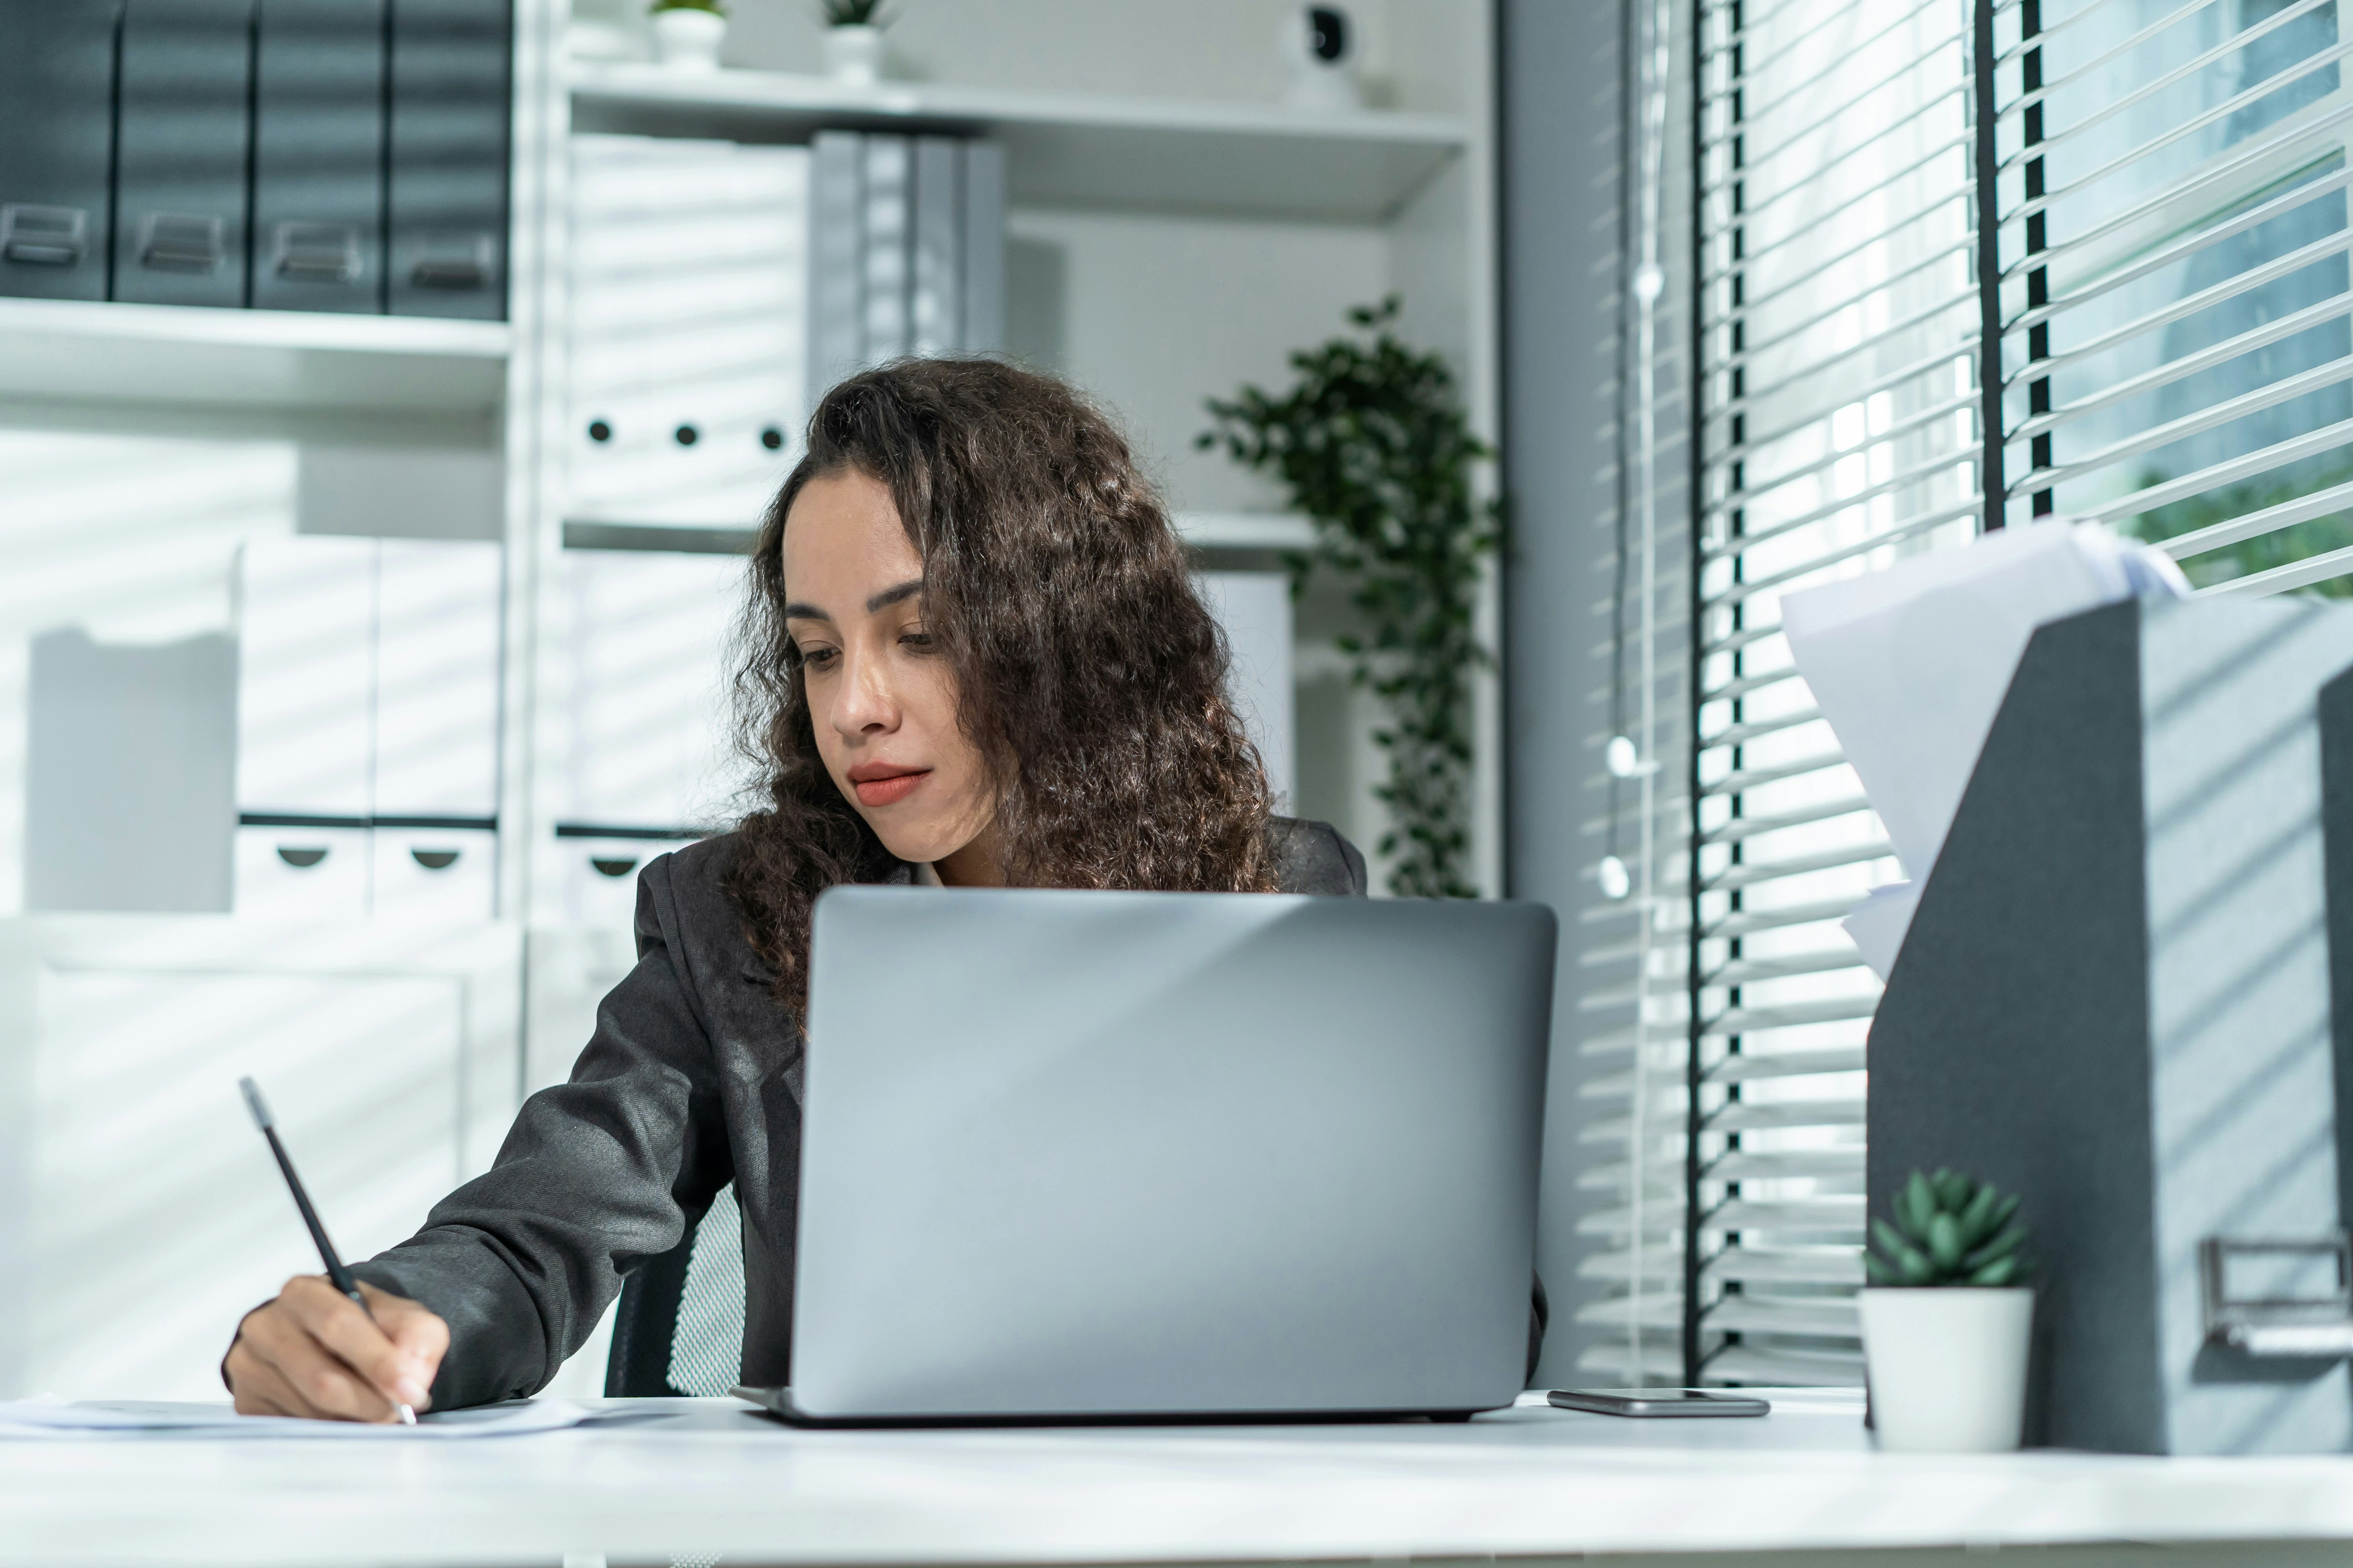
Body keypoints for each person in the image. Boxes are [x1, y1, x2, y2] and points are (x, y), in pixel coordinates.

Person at [220, 358, 1380, 1420]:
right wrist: (401, 1320)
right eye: (820, 651)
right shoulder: (735, 913)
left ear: (1067, 633)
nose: (854, 706)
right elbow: (544, 1221)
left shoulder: (1270, 895)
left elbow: (1426, 1279)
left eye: (919, 634)